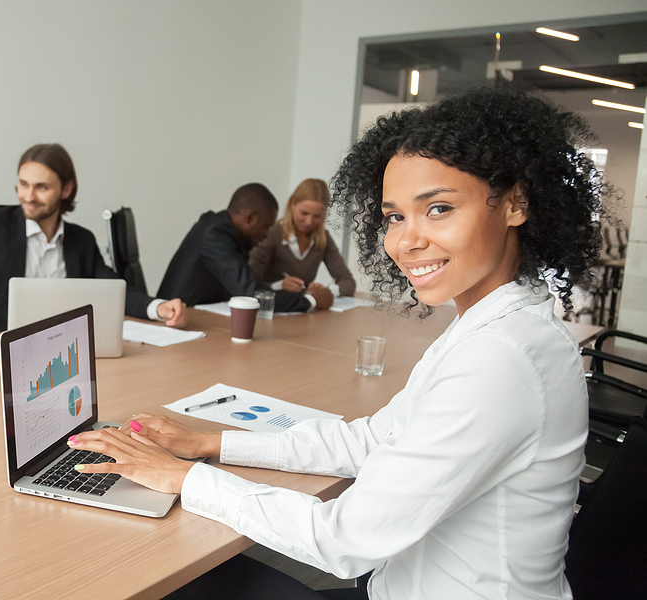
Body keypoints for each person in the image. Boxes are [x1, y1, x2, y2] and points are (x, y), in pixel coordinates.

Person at [69, 86, 605, 599]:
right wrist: (211, 445)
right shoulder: (493, 328)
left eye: (438, 208)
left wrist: (182, 477)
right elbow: (371, 442)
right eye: (394, 217)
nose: (406, 239)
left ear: (516, 204)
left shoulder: (502, 357)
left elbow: (343, 541)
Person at [0, 144, 187, 338]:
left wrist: (158, 307)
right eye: (23, 184)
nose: (28, 196)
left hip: (59, 353)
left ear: (66, 189)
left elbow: (113, 290)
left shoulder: (80, 240)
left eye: (41, 187)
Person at [157, 183, 333, 313]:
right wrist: (310, 301)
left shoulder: (227, 233)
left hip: (201, 321)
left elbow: (252, 286)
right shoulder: (215, 235)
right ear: (249, 218)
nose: (266, 235)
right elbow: (251, 295)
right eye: (265, 227)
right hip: (176, 326)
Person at [250, 178, 356, 299]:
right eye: (304, 213)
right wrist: (278, 285)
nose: (309, 222)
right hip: (271, 308)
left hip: (303, 310)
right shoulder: (272, 233)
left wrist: (326, 292)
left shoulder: (323, 238)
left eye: (317, 216)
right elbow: (249, 282)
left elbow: (348, 282)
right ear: (292, 205)